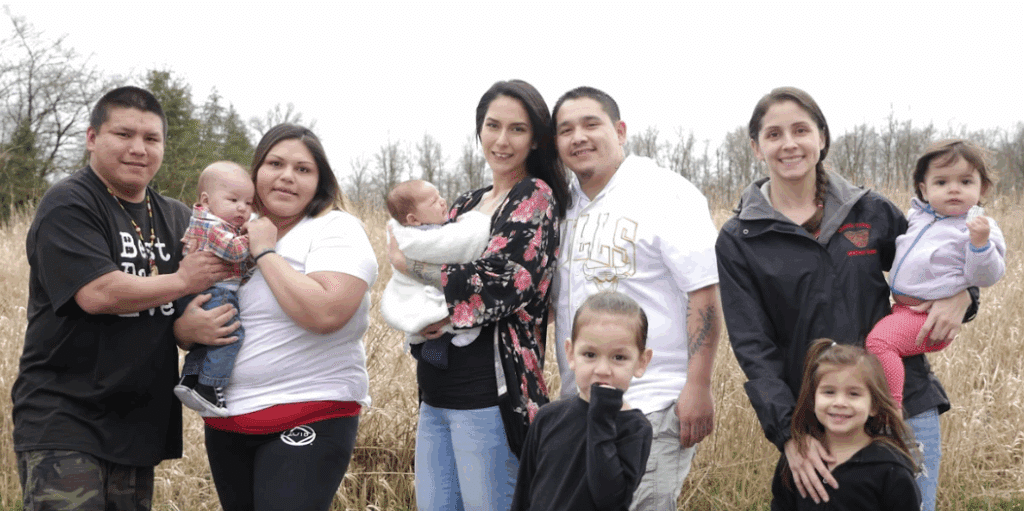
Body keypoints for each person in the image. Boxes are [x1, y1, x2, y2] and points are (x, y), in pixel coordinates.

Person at [716, 86, 977, 510]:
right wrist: (789, 433)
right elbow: (753, 346)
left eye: (801, 130)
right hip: (823, 417)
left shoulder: (869, 210)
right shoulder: (740, 237)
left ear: (821, 136)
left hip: (902, 406)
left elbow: (940, 259)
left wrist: (965, 295)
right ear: (756, 148)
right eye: (774, 134)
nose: (789, 144)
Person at [11, 86, 230, 510]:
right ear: (93, 138)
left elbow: (193, 311)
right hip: (65, 419)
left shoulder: (178, 217)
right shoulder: (70, 204)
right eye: (123, 135)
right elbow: (98, 292)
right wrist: (182, 281)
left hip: (137, 423)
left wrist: (188, 327)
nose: (138, 149)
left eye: (151, 139)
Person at [174, 124, 378, 511]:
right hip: (227, 420)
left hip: (310, 410)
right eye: (275, 163)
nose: (287, 176)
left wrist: (266, 251)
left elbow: (325, 312)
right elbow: (194, 301)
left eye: (303, 169)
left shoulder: (336, 229)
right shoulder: (227, 235)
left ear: (320, 183)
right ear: (256, 174)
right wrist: (184, 330)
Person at [387, 79, 569, 511]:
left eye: (517, 129)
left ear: (536, 138)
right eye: (493, 125)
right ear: (479, 129)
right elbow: (429, 255)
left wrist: (412, 267)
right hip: (435, 392)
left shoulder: (534, 196)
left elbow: (505, 283)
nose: (501, 140)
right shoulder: (467, 203)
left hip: (489, 396)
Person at [550, 86, 721, 510]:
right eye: (566, 130)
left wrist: (697, 386)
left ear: (620, 130)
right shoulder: (562, 207)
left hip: (653, 402)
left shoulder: (663, 192)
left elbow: (704, 292)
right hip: (584, 405)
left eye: (592, 124)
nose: (579, 137)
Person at [866, 140, 1005, 408]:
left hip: (932, 318)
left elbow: (986, 277)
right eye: (941, 183)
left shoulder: (978, 228)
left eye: (965, 182)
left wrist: (980, 245)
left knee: (880, 343)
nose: (953, 189)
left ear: (982, 188)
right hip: (904, 310)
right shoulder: (919, 217)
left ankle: (891, 409)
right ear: (924, 189)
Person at [512, 291, 653, 511]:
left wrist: (602, 416)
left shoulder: (634, 428)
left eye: (619, 357)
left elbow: (610, 500)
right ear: (570, 354)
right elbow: (524, 493)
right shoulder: (547, 417)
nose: (602, 370)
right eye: (589, 354)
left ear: (641, 362)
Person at [771, 339, 920, 510]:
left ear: (873, 406)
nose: (840, 402)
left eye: (854, 394)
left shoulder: (890, 468)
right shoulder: (798, 458)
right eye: (829, 392)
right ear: (813, 400)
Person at [174, 161, 256, 416]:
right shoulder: (211, 224)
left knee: (204, 342)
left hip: (204, 291)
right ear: (206, 200)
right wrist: (255, 238)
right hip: (216, 291)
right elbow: (233, 251)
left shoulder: (211, 223)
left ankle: (190, 381)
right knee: (230, 337)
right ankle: (210, 389)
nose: (242, 208)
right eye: (233, 200)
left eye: (249, 203)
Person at [380, 179, 490, 357]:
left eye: (439, 196)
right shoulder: (417, 240)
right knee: (435, 313)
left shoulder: (427, 229)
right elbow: (457, 243)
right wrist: (475, 220)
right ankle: (459, 332)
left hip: (444, 297)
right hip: (425, 298)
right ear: (413, 219)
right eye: (433, 201)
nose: (443, 201)